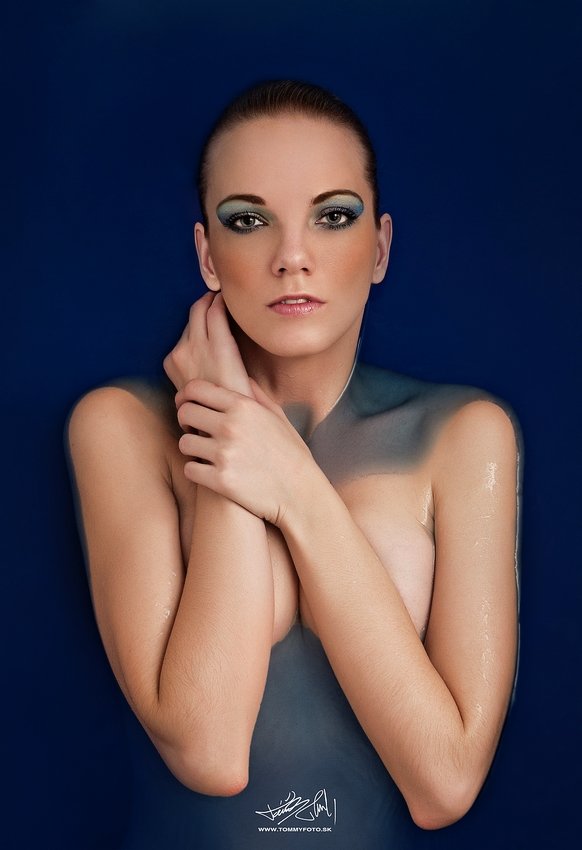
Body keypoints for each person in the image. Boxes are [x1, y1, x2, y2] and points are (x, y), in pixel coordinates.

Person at [65, 79, 523, 849]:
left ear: (380, 248)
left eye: (332, 216)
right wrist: (222, 413)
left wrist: (294, 486)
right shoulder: (120, 428)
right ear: (207, 254)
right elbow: (208, 749)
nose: (293, 258)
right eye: (248, 221)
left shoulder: (464, 436)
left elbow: (445, 784)